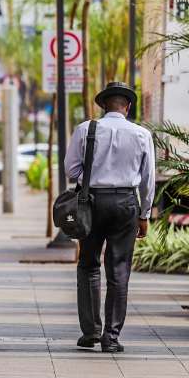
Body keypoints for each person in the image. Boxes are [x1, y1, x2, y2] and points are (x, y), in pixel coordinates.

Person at [65, 82, 155, 353]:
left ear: (104, 105)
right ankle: (111, 337)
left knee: (88, 264)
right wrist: (145, 213)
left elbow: (71, 169)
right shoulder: (141, 134)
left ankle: (90, 331)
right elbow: (148, 179)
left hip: (91, 203)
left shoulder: (85, 129)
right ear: (127, 107)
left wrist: (90, 180)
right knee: (118, 271)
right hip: (126, 203)